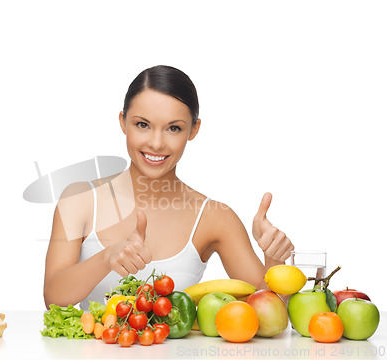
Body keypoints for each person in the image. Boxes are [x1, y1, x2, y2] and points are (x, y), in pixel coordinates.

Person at [43, 65, 294, 310]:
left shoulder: (215, 217)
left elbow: (269, 315)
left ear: (193, 129)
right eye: (142, 124)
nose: (156, 143)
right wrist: (106, 257)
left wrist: (274, 259)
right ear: (123, 121)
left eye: (174, 128)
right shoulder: (80, 200)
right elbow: (53, 298)